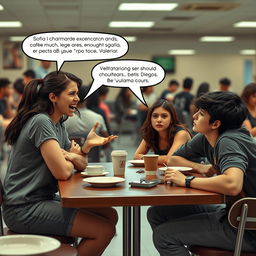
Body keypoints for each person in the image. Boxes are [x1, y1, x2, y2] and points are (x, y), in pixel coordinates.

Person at [3, 71, 118, 256]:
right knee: (104, 231)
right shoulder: (41, 122)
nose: (77, 98)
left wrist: (81, 150)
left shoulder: (58, 123)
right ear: (53, 97)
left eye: (77, 93)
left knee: (110, 214)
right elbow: (63, 173)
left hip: (42, 199)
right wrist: (70, 158)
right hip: (23, 208)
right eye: (72, 94)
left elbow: (80, 163)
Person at [147, 91, 256, 256]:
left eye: (201, 113)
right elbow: (174, 160)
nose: (194, 116)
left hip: (248, 228)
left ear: (215, 124)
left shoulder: (229, 141)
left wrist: (187, 181)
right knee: (158, 212)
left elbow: (232, 184)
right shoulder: (206, 137)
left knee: (163, 236)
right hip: (235, 212)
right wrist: (200, 167)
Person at [134, 99, 191, 165]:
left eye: (164, 116)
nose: (159, 120)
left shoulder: (181, 133)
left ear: (172, 119)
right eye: (155, 116)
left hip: (195, 172)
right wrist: (159, 159)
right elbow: (136, 157)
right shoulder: (151, 132)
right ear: (150, 119)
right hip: (170, 172)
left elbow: (169, 160)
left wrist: (144, 158)